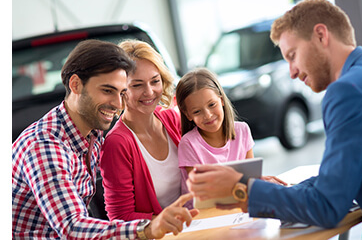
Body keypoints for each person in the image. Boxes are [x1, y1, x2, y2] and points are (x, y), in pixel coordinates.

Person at [186, 0, 362, 239]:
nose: (292, 71)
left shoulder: (348, 92)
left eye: (293, 55)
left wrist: (241, 188)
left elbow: (327, 205)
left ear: (321, 35)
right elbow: (339, 179)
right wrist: (279, 190)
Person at [12, 39, 197, 239]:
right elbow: (72, 227)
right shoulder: (45, 146)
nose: (118, 104)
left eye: (122, 92)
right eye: (107, 90)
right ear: (75, 85)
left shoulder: (93, 133)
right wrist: (149, 228)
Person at [100, 39, 195, 223]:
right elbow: (120, 217)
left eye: (155, 81)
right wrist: (165, 222)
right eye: (137, 85)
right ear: (120, 90)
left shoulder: (171, 118)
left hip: (194, 225)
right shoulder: (117, 143)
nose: (150, 92)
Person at [175, 68, 254, 175]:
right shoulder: (188, 144)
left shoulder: (242, 130)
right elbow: (201, 189)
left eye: (212, 105)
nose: (208, 115)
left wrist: (260, 181)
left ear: (221, 100)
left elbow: (251, 177)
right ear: (188, 115)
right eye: (197, 111)